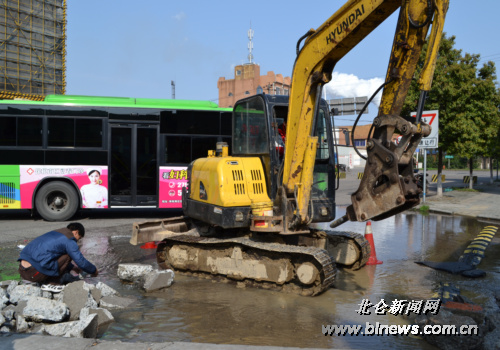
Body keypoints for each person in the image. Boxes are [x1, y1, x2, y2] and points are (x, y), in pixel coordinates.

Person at [18, 222, 98, 292]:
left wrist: (73, 268)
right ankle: (52, 284)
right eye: (79, 238)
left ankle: (42, 280)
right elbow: (80, 261)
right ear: (76, 232)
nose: (77, 241)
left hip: (23, 271)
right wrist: (93, 270)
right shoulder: (69, 240)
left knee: (58, 254)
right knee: (68, 255)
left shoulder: (55, 233)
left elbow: (52, 256)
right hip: (34, 273)